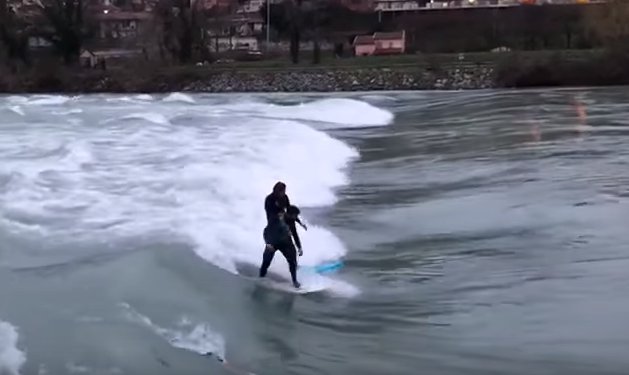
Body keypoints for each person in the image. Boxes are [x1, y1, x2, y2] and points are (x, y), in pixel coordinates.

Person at [259, 182, 301, 288]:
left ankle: (295, 281)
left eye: (284, 192)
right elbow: (266, 230)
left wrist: (299, 247)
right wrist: (268, 243)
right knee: (266, 261)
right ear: (276, 191)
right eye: (281, 192)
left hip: (285, 240)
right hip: (273, 236)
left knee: (292, 259)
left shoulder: (288, 215)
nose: (283, 194)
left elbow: (290, 211)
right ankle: (261, 278)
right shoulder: (269, 199)